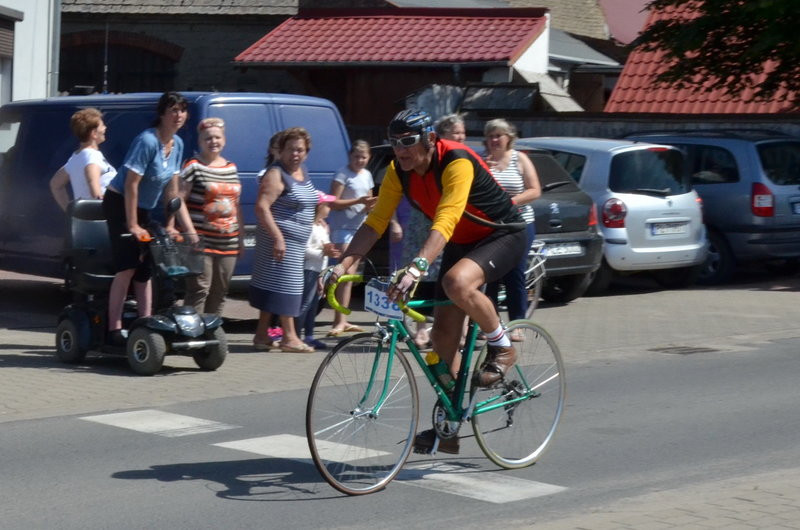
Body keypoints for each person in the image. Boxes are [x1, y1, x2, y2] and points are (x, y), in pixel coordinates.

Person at [322, 109, 527, 454]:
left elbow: (447, 216)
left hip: (500, 234)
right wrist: (343, 264)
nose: (400, 149)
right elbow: (376, 222)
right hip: (460, 241)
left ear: (430, 139)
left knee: (456, 283)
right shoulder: (396, 172)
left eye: (408, 141)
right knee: (441, 340)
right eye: (394, 142)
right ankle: (450, 424)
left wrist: (417, 267)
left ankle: (502, 345)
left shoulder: (456, 161)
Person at [102, 91, 194, 346]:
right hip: (119, 204)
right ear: (162, 114)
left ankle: (145, 322)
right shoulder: (147, 141)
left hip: (143, 208)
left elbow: (172, 189)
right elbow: (132, 184)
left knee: (147, 267)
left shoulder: (177, 144)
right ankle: (114, 329)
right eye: (173, 110)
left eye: (182, 110)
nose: (178, 115)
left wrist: (171, 224)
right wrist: (132, 224)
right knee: (128, 266)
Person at [250, 127, 320, 353]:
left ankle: (262, 336)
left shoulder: (303, 172)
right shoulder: (276, 174)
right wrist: (278, 237)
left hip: (295, 243)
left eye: (300, 150)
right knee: (288, 287)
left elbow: (309, 200)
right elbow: (262, 207)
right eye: (291, 149)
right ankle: (289, 337)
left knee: (273, 285)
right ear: (280, 151)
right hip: (279, 241)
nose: (296, 154)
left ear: (307, 153)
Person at [179, 117, 243, 315]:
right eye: (208, 138)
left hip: (228, 242)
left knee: (220, 292)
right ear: (200, 141)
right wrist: (190, 233)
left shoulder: (231, 167)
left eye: (217, 137)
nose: (213, 141)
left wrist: (240, 238)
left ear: (223, 140)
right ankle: (192, 336)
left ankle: (212, 334)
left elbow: (236, 205)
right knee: (199, 289)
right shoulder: (193, 166)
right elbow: (178, 201)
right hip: (200, 240)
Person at [483, 118, 542, 333]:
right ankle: (492, 325)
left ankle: (518, 324)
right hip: (493, 225)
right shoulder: (483, 162)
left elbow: (535, 190)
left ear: (509, 138)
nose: (494, 140)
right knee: (489, 274)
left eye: (498, 135)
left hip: (520, 223)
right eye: (490, 136)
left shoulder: (520, 159)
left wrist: (511, 201)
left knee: (514, 272)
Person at [326, 140, 377, 337]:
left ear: (369, 158)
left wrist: (370, 206)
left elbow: (369, 201)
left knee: (350, 274)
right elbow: (333, 202)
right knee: (346, 270)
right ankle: (338, 320)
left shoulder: (367, 175)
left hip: (359, 227)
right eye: (356, 157)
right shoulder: (342, 174)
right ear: (350, 156)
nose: (360, 161)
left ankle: (342, 320)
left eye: (363, 158)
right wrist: (358, 201)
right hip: (342, 228)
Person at [50, 107, 117, 211]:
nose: (105, 128)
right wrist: (107, 212)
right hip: (100, 222)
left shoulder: (76, 158)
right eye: (102, 125)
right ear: (94, 133)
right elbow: (95, 192)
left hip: (84, 221)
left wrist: (70, 211)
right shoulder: (92, 157)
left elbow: (55, 184)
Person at [296, 202, 340, 351]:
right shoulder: (309, 227)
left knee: (314, 304)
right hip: (309, 269)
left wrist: (329, 250)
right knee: (306, 303)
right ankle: (295, 335)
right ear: (319, 207)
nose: (330, 208)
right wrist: (323, 252)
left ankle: (309, 336)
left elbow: (325, 246)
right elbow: (305, 250)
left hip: (319, 270)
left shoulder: (321, 227)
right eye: (327, 205)